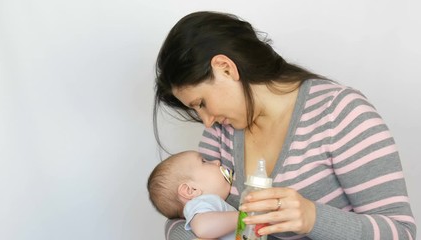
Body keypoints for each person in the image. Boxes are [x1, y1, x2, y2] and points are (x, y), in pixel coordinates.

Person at [153, 11, 417, 240]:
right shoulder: (222, 131)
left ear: (225, 68)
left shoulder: (339, 112)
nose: (207, 121)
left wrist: (313, 218)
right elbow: (182, 214)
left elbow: (401, 232)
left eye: (201, 103)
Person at [147, 150, 238, 240]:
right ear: (190, 190)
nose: (217, 162)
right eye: (204, 161)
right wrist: (243, 217)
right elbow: (202, 227)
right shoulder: (200, 203)